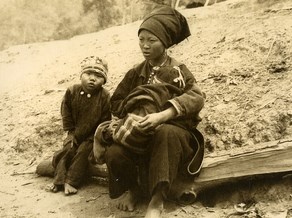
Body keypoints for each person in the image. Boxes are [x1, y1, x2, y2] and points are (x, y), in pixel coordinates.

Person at [103, 5, 205, 218]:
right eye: (142, 40)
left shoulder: (179, 71)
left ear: (165, 42)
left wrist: (162, 115)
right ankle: (133, 190)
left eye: (152, 40)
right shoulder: (136, 72)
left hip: (172, 136)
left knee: (164, 132)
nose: (145, 46)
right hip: (139, 134)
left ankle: (157, 200)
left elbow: (196, 97)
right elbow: (117, 101)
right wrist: (136, 111)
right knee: (114, 152)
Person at [49, 56, 111, 195]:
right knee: (67, 150)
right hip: (74, 132)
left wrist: (98, 137)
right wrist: (70, 132)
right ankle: (58, 180)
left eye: (98, 76)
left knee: (83, 152)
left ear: (104, 81)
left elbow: (105, 120)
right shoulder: (72, 91)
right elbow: (66, 112)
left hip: (92, 136)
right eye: (88, 74)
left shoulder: (104, 96)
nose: (92, 79)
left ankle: (71, 181)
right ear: (81, 75)